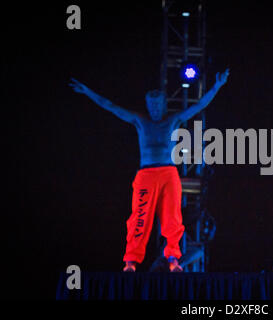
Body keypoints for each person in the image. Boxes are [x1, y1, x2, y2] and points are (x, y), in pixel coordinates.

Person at [69, 69, 230, 272]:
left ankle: (173, 259)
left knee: (172, 218)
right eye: (151, 105)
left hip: (168, 172)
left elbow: (199, 105)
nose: (154, 109)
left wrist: (217, 86)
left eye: (157, 105)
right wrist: (87, 91)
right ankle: (130, 262)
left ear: (164, 105)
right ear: (147, 105)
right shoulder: (140, 120)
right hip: (146, 174)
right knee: (140, 217)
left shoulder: (172, 121)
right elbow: (110, 106)